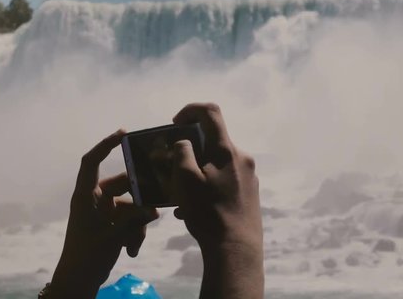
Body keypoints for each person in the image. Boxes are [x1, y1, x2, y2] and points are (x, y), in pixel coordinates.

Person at [40, 103, 264, 299]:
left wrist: (71, 286)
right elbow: (236, 243)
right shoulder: (236, 239)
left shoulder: (75, 279)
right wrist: (237, 242)